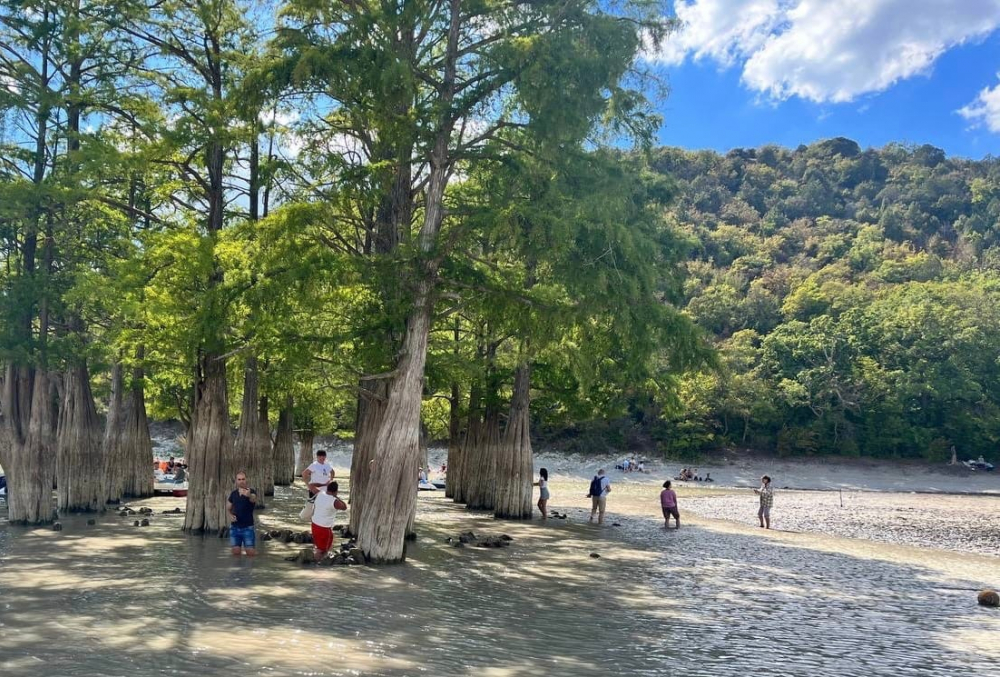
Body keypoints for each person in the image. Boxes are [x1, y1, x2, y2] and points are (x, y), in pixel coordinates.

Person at [311, 481, 348, 561]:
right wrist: (336, 497)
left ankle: (322, 562)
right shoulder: (334, 501)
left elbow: (311, 484)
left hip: (314, 524)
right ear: (336, 491)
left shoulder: (320, 493)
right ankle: (316, 566)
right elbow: (345, 507)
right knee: (322, 550)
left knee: (324, 545)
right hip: (324, 528)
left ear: (327, 488)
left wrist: (323, 484)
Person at [227, 472, 258, 556]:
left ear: (246, 480)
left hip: (248, 528)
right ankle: (238, 569)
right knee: (236, 553)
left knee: (251, 554)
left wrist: (249, 496)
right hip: (234, 528)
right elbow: (228, 508)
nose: (241, 481)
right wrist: (230, 515)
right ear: (236, 481)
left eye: (243, 479)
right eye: (239, 479)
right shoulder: (233, 494)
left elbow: (253, 499)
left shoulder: (251, 491)